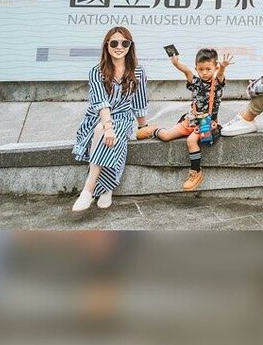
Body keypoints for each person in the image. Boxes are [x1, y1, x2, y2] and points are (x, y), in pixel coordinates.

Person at [72, 27, 149, 212]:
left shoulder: (138, 71)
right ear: (107, 46)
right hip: (96, 118)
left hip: (123, 118)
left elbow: (139, 101)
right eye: (114, 42)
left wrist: (144, 127)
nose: (119, 47)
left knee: (108, 133)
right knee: (101, 131)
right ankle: (105, 189)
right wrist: (108, 127)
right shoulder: (96, 71)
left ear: (130, 46)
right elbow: (101, 103)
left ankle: (88, 190)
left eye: (125, 43)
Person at [138, 48, 234, 192]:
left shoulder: (217, 83)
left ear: (215, 67)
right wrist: (176, 63)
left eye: (208, 69)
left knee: (191, 141)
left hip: (207, 124)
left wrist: (223, 67)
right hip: (190, 120)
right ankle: (153, 130)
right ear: (197, 68)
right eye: (201, 69)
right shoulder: (195, 81)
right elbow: (186, 71)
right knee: (166, 136)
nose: (204, 72)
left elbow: (220, 75)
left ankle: (196, 172)